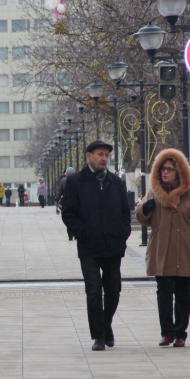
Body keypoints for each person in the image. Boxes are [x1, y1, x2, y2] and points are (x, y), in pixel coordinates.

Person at [136, 148, 190, 348]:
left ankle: (180, 333)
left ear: (179, 171)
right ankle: (166, 333)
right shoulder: (154, 191)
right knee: (163, 293)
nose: (165, 172)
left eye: (170, 169)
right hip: (161, 252)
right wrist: (144, 209)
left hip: (185, 253)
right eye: (162, 168)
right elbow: (142, 218)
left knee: (183, 294)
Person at [62, 141, 131, 351]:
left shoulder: (116, 182)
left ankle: (106, 324)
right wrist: (83, 233)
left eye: (106, 155)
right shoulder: (75, 182)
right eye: (100, 154)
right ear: (89, 156)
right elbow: (68, 213)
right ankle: (99, 336)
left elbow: (124, 213)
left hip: (112, 245)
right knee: (93, 292)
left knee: (113, 291)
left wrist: (122, 234)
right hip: (89, 247)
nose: (104, 158)